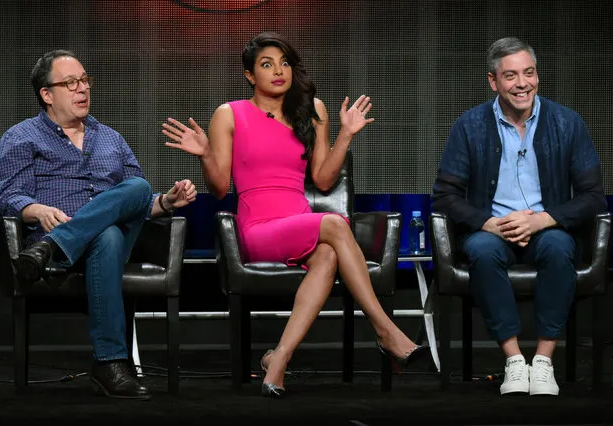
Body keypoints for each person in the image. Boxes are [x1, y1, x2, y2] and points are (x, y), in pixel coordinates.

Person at [161, 31, 430, 398]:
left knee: (330, 252)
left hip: (300, 221)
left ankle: (279, 360)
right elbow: (220, 189)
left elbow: (322, 179)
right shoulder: (230, 114)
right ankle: (385, 329)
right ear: (249, 75)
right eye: (267, 65)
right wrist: (207, 155)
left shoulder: (312, 109)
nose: (278, 71)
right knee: (334, 225)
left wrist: (346, 135)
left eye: (284, 63)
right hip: (258, 228)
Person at [0, 50, 198, 400]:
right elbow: (10, 196)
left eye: (85, 80)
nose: (82, 89)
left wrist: (166, 203)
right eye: (70, 83)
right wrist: (37, 209)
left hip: (55, 250)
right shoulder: (20, 137)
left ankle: (54, 244)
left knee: (138, 187)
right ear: (47, 94)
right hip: (84, 243)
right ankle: (110, 365)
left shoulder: (111, 139)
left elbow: (136, 202)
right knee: (106, 233)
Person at [432, 37, 607, 396]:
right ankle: (514, 361)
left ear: (537, 76)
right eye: (510, 76)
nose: (522, 83)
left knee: (559, 247)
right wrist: (487, 223)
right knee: (480, 250)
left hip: (548, 228)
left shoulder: (567, 123)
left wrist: (544, 220)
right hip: (492, 229)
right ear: (493, 82)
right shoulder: (470, 125)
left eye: (528, 73)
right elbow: (444, 196)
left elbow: (593, 197)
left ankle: (543, 362)